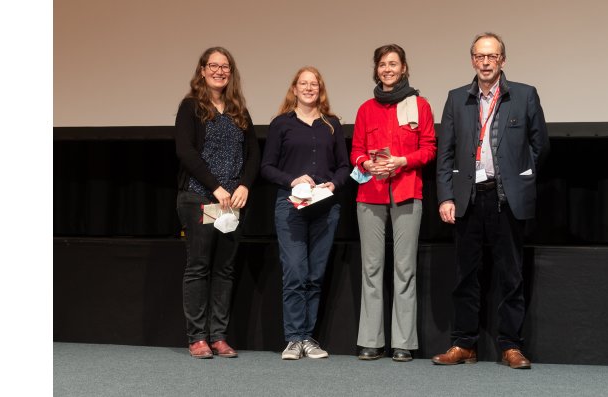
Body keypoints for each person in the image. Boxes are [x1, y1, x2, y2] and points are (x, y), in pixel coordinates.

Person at [432, 32, 550, 369]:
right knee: (465, 277)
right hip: (468, 199)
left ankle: (511, 346)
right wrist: (446, 196)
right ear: (472, 60)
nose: (486, 62)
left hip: (506, 199)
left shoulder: (524, 95)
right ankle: (463, 344)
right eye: (480, 56)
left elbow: (540, 146)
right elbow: (446, 153)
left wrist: (519, 179)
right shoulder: (457, 99)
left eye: (492, 56)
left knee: (511, 276)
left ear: (502, 60)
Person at [350, 44, 436, 362]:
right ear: (376, 69)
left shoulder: (420, 105)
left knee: (404, 269)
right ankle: (371, 340)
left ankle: (403, 342)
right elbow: (356, 150)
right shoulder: (365, 109)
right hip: (370, 194)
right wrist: (365, 163)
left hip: (407, 191)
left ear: (403, 68)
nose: (388, 69)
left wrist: (402, 160)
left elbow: (428, 149)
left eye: (393, 64)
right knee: (371, 269)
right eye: (382, 64)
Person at [174, 47, 260, 359]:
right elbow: (186, 152)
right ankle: (197, 337)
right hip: (199, 197)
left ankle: (219, 336)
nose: (219, 71)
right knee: (199, 267)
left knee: (224, 269)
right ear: (202, 70)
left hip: (232, 204)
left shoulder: (239, 110)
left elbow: (253, 154)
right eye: (213, 65)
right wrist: (217, 187)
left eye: (225, 67)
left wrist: (244, 186)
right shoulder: (191, 107)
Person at [260, 66, 350, 360]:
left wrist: (333, 185)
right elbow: (267, 167)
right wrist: (293, 180)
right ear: (295, 89)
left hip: (325, 207)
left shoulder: (332, 124)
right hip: (291, 206)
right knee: (295, 273)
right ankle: (293, 339)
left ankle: (308, 338)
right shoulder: (281, 124)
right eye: (304, 83)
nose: (309, 88)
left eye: (314, 84)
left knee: (314, 275)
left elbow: (344, 167)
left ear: (320, 89)